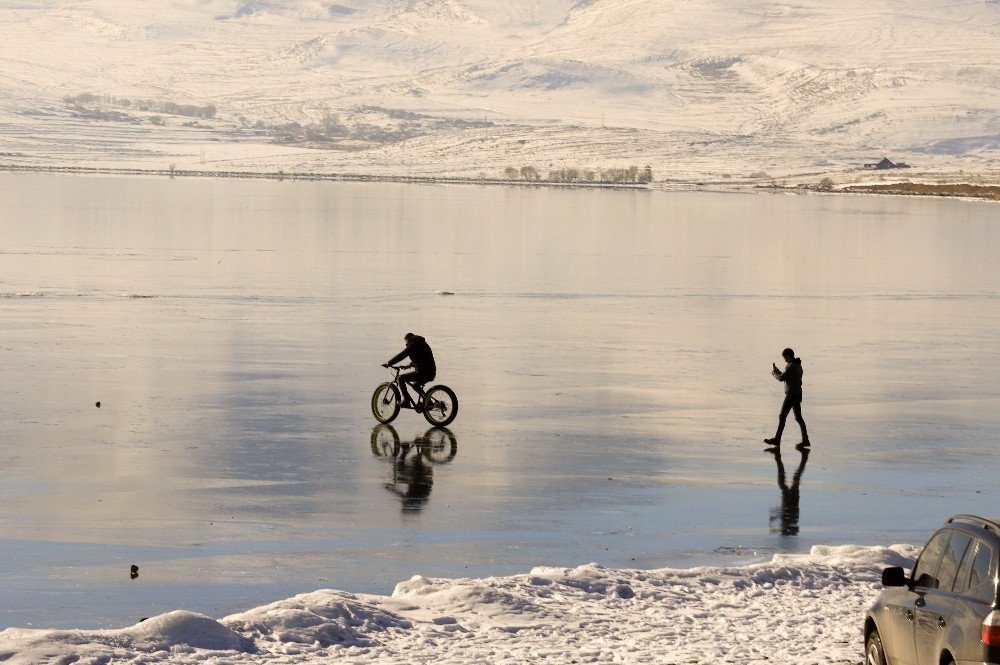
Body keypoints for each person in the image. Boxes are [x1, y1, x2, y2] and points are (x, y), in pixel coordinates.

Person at [765, 347, 810, 448]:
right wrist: (778, 371)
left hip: (791, 395)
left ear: (788, 356)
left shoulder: (791, 367)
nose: (784, 360)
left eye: (784, 358)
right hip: (797, 394)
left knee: (782, 416)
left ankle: (777, 439)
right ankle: (806, 440)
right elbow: (787, 377)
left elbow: (781, 378)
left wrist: (774, 372)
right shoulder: (798, 366)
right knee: (798, 418)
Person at [383, 333, 436, 409]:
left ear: (408, 339)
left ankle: (406, 401)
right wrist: (410, 365)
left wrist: (389, 363)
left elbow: (402, 355)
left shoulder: (413, 344)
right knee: (415, 386)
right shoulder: (421, 344)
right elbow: (422, 359)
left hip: (422, 372)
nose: (406, 344)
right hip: (430, 372)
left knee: (401, 378)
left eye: (406, 343)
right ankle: (429, 403)